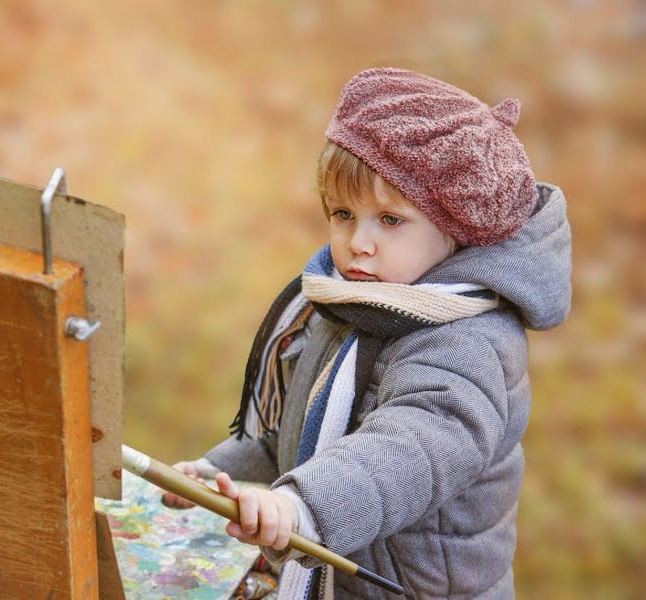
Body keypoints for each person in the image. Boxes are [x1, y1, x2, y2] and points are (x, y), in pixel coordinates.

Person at [161, 67, 572, 599]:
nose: (359, 242)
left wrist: (300, 505)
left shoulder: (468, 343)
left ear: (455, 226)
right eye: (343, 213)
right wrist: (216, 472)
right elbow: (298, 428)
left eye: (391, 220)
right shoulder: (357, 306)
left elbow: (407, 452)